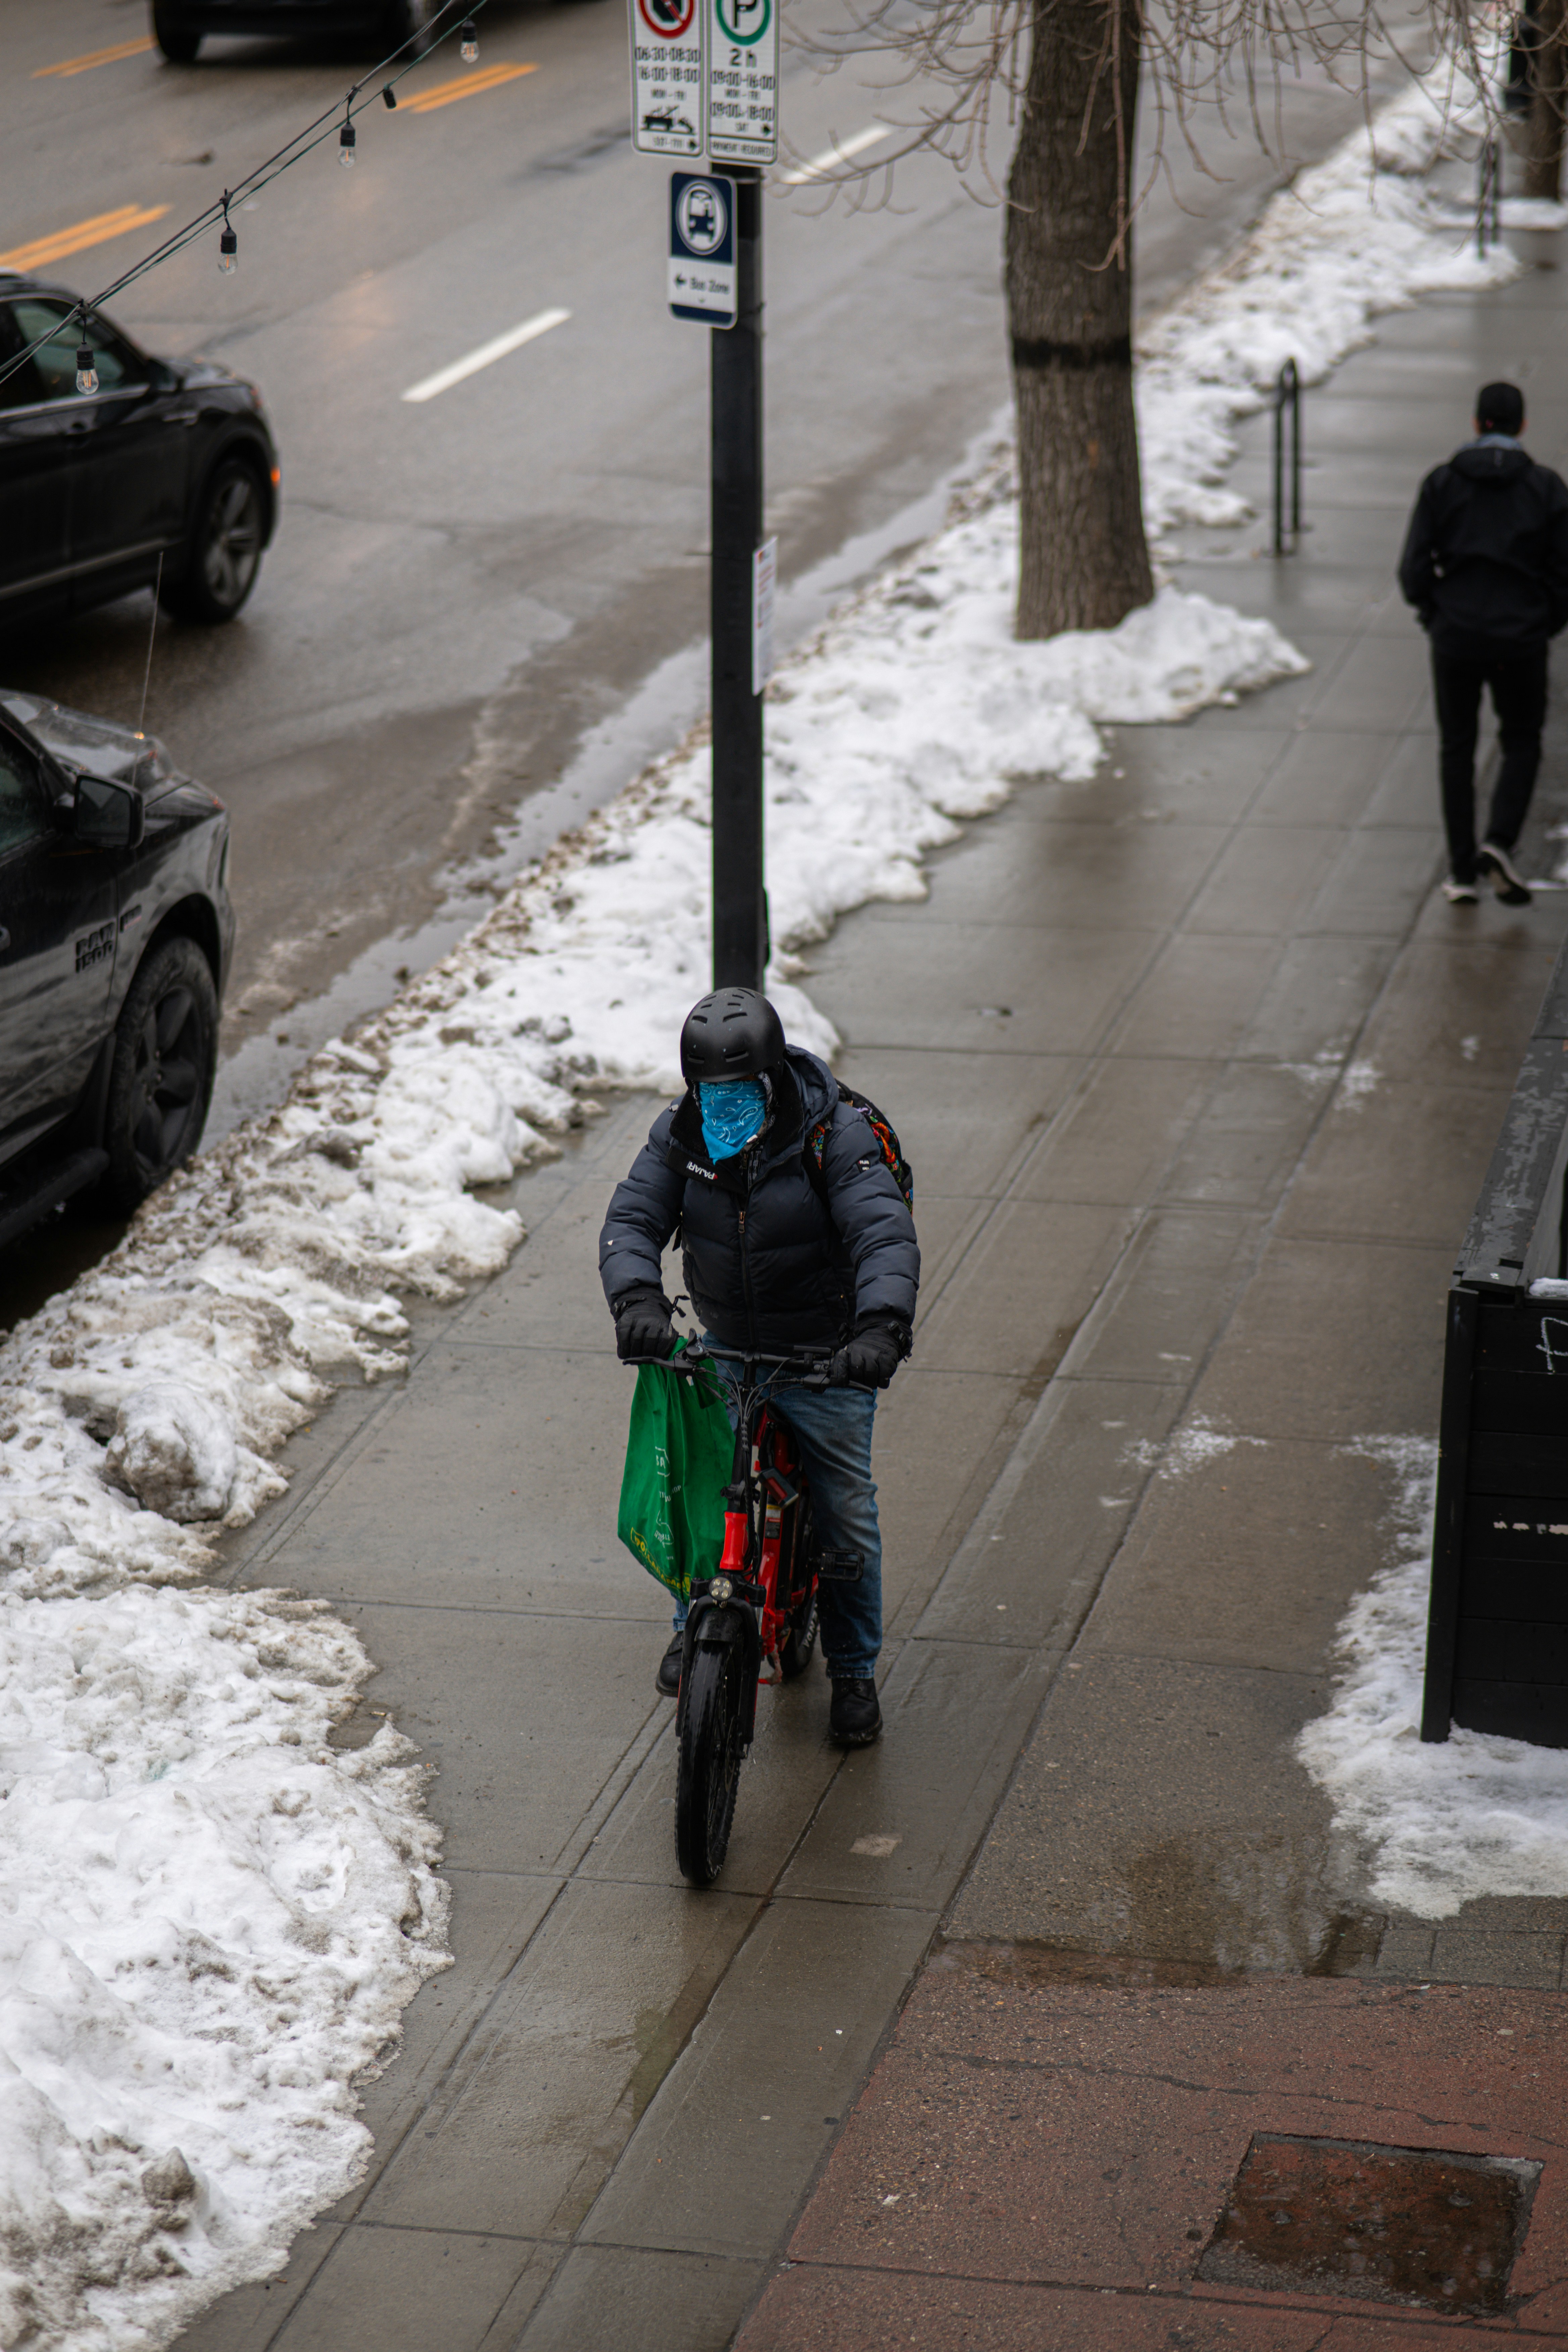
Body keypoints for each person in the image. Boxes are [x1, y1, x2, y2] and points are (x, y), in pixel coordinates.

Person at [598, 986, 919, 1746]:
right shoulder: (681, 1136)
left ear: (772, 1079)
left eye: (740, 1091)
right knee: (703, 1485)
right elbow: (633, 1219)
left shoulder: (833, 1137)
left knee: (845, 1514)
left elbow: (883, 1236)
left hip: (824, 1356)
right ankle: (691, 1623)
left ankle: (852, 1669)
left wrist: (877, 1330)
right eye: (711, 1091)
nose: (725, 1105)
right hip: (728, 1345)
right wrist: (637, 1300)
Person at [1399, 380, 1568, 906]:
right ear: (1521, 426)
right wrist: (1543, 623)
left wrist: (1436, 613)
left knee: (1457, 747)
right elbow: (1565, 574)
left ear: (1476, 425)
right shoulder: (1546, 489)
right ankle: (1499, 841)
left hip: (1457, 637)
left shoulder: (1442, 485)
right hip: (1520, 638)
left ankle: (1462, 871)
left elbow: (1413, 569)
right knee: (1521, 738)